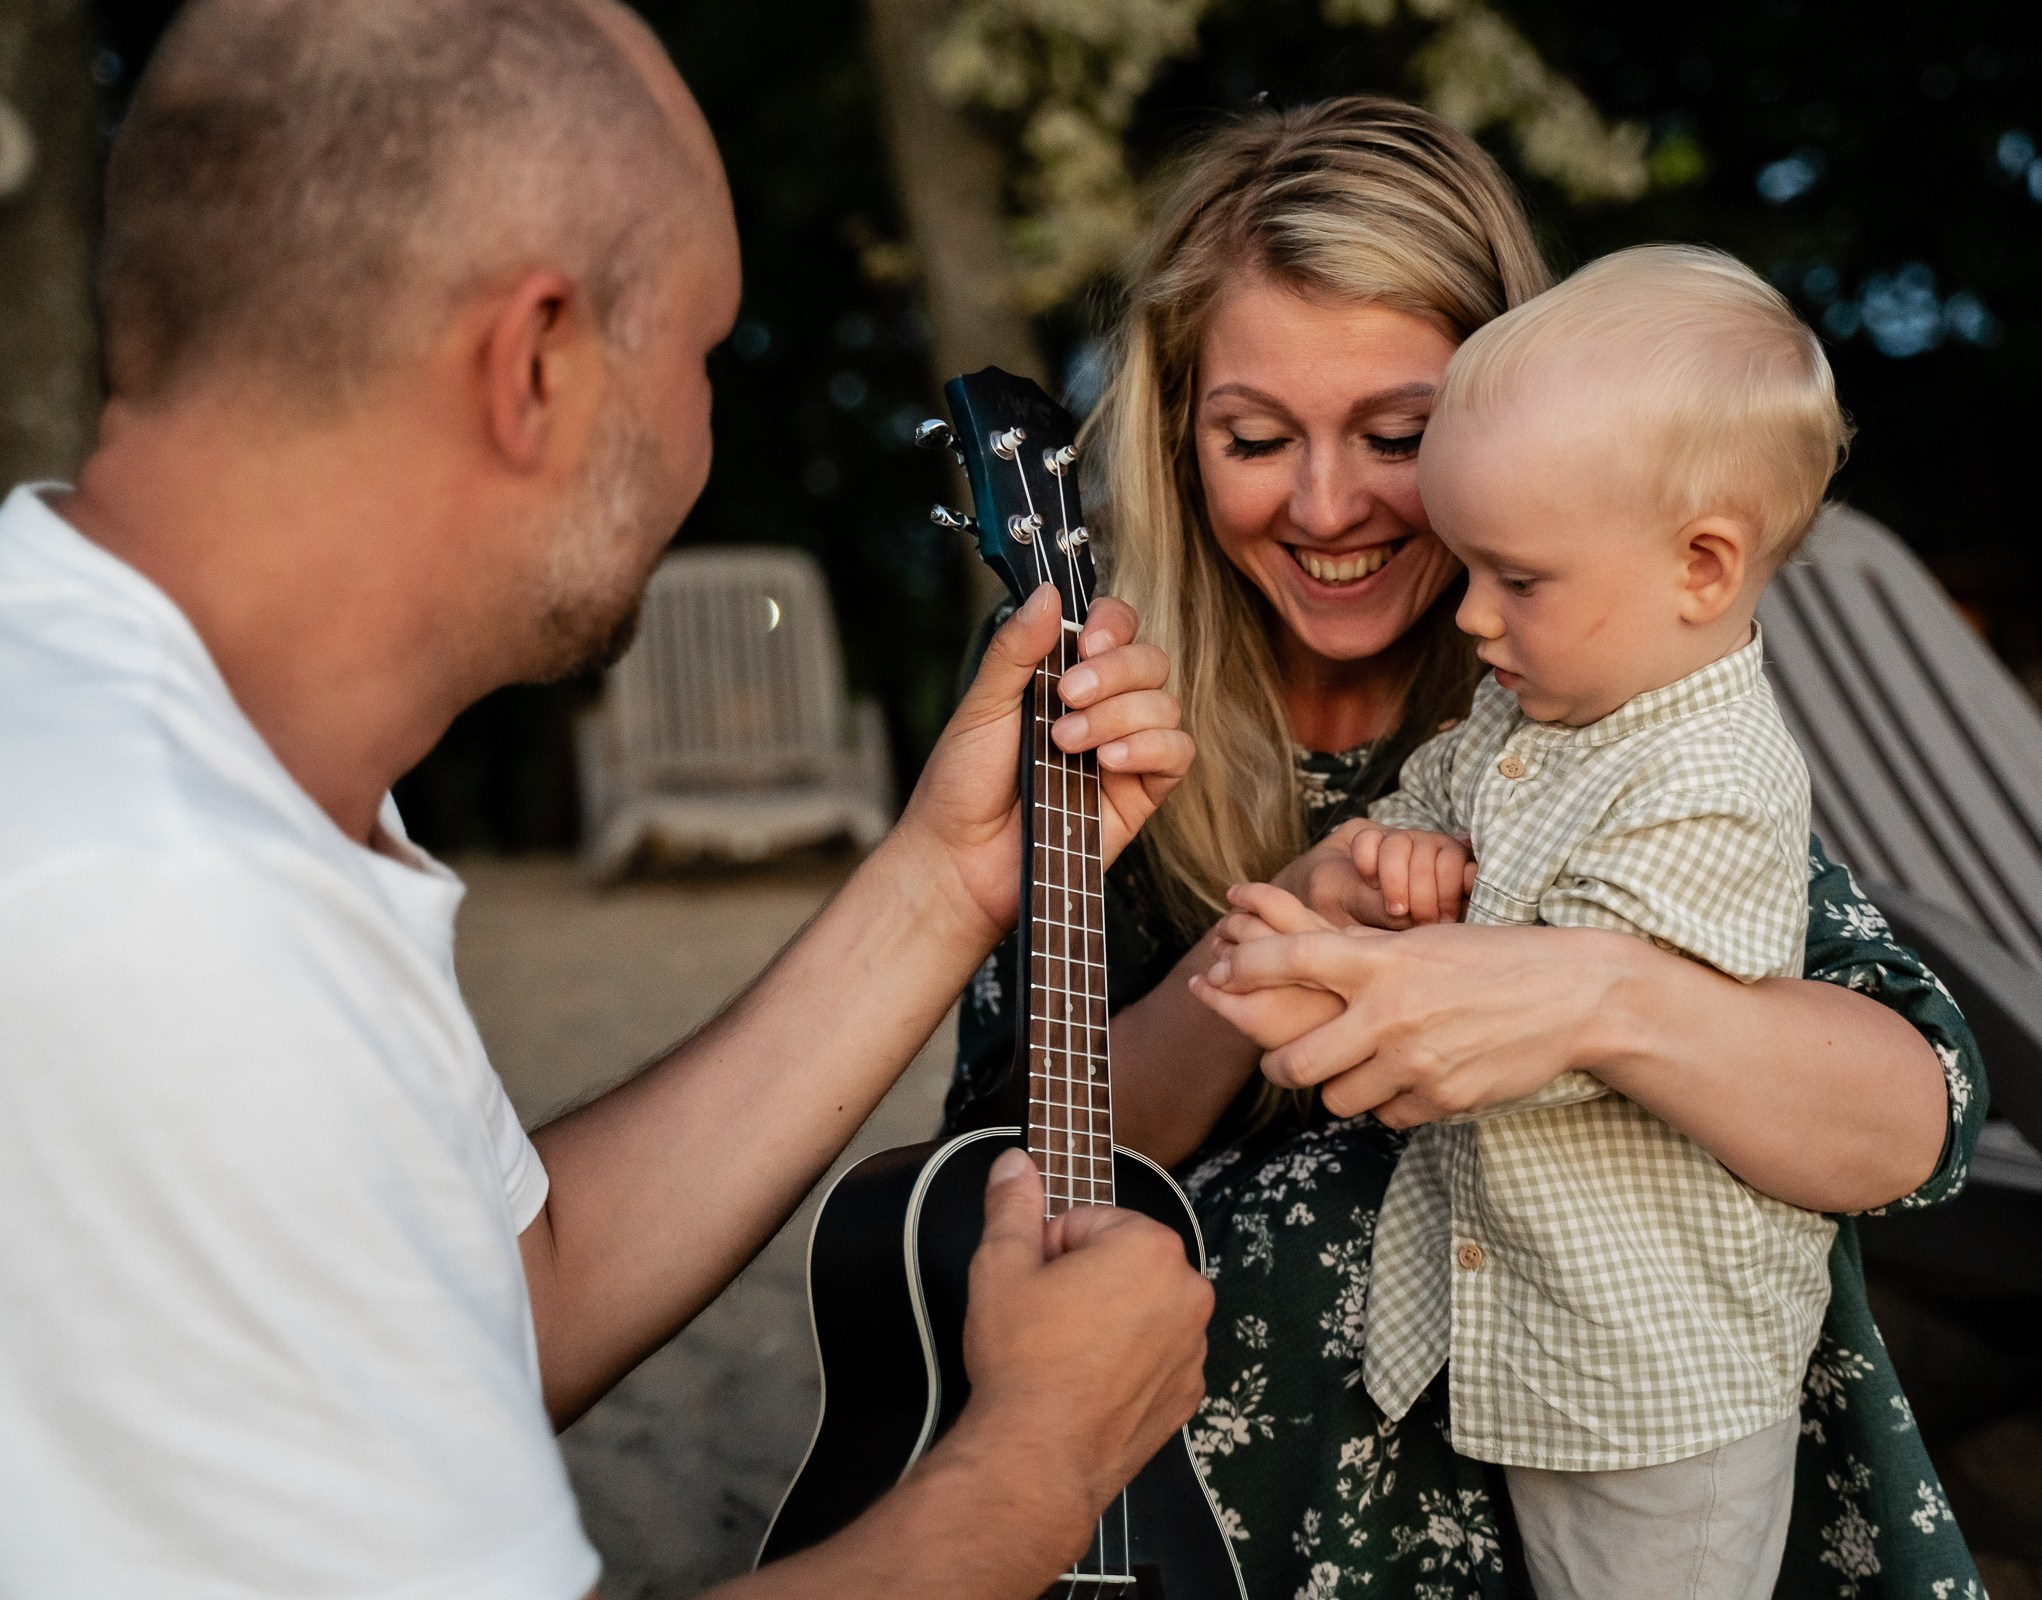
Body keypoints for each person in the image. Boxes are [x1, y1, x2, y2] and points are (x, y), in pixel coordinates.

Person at [0, 2, 1208, 1596]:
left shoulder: (147, 745)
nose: (710, 431)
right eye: (702, 358)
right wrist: (1037, 1461)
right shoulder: (158, 905)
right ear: (537, 361)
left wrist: (938, 882)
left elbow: (510, 1298)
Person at [945, 98, 1989, 1600]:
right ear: (1179, 437)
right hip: (1235, 1520)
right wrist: (1280, 930)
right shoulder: (1098, 700)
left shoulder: (1599, 700)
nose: (1326, 507)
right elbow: (1005, 1175)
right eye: (1253, 438)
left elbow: (1916, 1120)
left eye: (1399, 437)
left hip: (1626, 1450)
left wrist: (1596, 998)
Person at [1197, 245, 1855, 1600]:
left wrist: (1358, 987)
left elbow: (1565, 1017)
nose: (1475, 614)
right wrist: (1394, 857)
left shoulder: (1712, 782)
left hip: (1658, 1373)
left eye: (1519, 579)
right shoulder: (1547, 696)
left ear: (1703, 566)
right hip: (1542, 1339)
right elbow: (1449, 793)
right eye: (1257, 434)